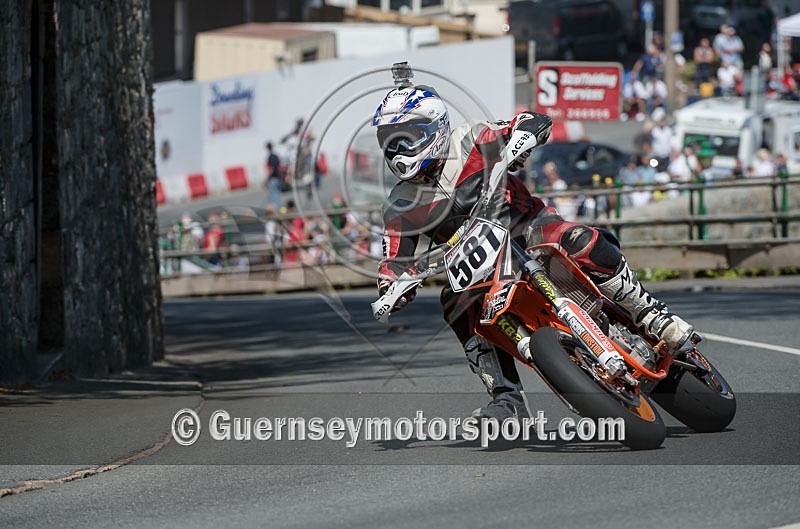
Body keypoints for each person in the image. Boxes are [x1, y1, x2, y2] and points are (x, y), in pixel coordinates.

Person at [373, 64, 698, 421]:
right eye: (390, 140)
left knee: (576, 238)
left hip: (529, 228)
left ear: (435, 128)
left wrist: (523, 137)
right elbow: (392, 260)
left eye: (406, 136)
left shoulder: (472, 138)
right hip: (480, 266)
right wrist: (393, 287)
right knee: (454, 301)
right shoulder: (400, 204)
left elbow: (526, 121)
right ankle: (506, 396)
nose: (397, 149)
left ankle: (650, 315)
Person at [265, 142, 283, 211]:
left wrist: (267, 179)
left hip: (273, 178)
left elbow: (271, 169)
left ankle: (276, 210)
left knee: (274, 196)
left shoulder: (271, 157)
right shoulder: (276, 156)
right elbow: (279, 167)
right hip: (277, 177)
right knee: (277, 194)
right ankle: (279, 209)